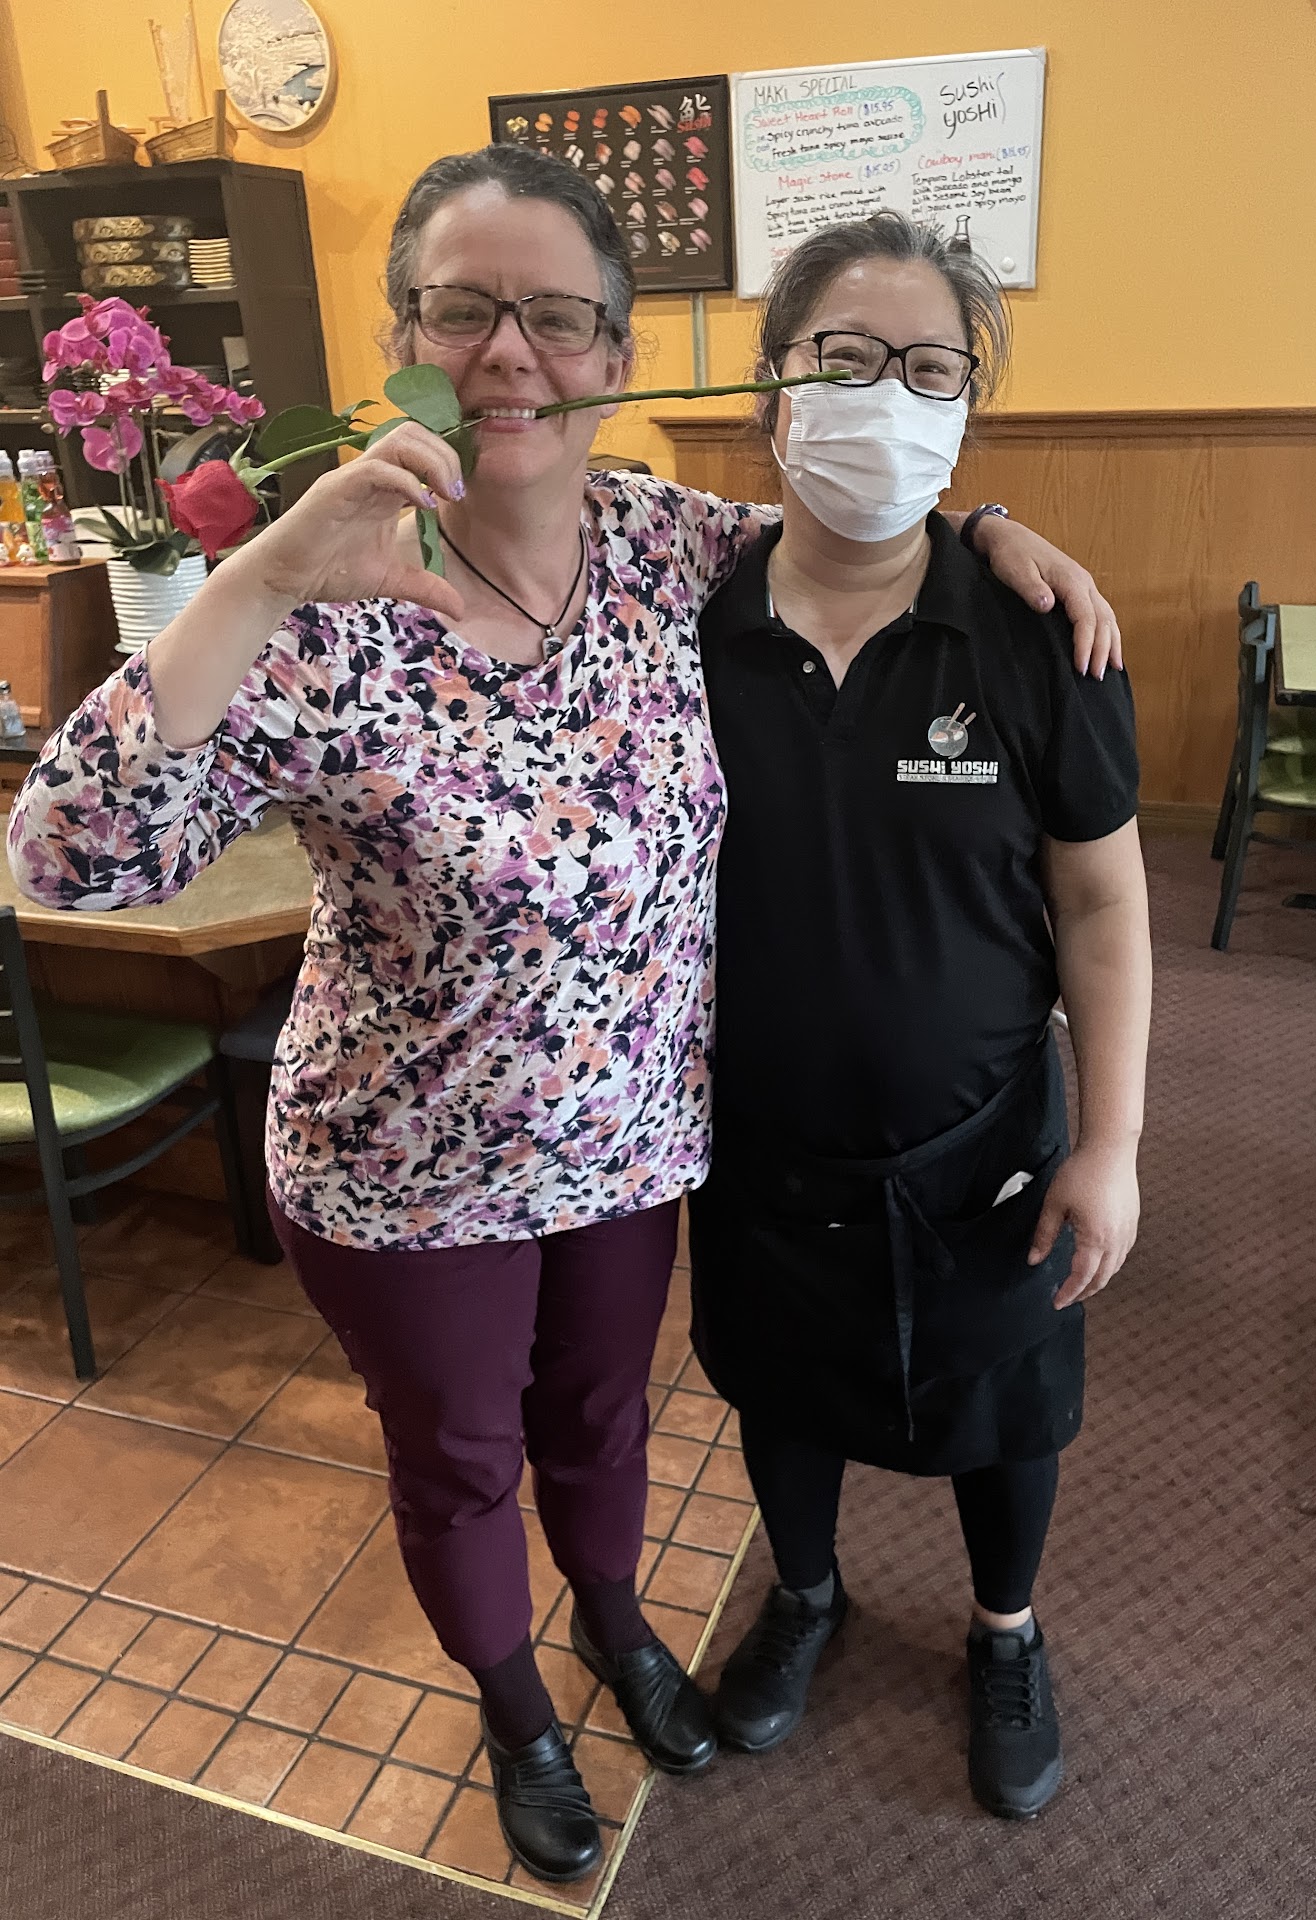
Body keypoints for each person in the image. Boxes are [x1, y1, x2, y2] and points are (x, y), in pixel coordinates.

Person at [6, 149, 1119, 1882]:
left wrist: (992, 534)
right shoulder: (329, 606)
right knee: (460, 1463)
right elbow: (71, 853)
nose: (509, 351)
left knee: (604, 1425)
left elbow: (862, 524)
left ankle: (615, 1623)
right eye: (463, 309)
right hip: (406, 1169)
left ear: (617, 355)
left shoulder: (671, 549)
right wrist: (262, 574)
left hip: (630, 1146)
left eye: (555, 316)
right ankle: (516, 1710)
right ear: (403, 340)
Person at [689, 211, 1152, 1822]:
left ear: (966, 408)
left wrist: (1114, 1143)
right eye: (844, 357)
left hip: (984, 1141)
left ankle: (1006, 1632)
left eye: (930, 367)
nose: (885, 394)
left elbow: (1103, 905)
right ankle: (806, 1596)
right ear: (775, 389)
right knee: (780, 1386)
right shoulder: (691, 629)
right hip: (757, 1137)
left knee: (1006, 1401)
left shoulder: (1038, 635)